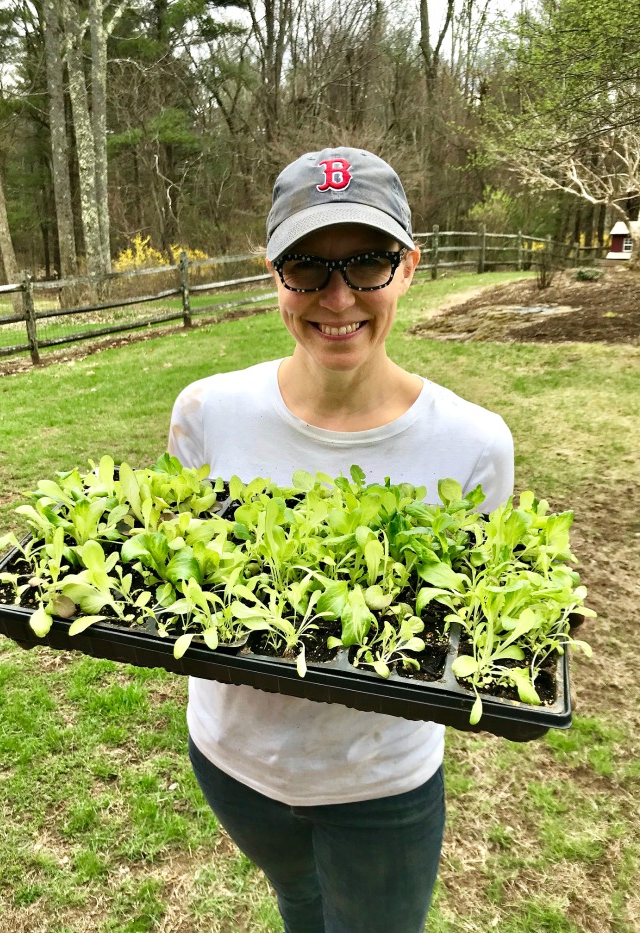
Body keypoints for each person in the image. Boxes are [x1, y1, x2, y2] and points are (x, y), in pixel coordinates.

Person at [168, 146, 514, 933]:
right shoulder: (206, 412)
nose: (337, 297)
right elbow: (179, 574)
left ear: (409, 267)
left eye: (367, 264)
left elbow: (469, 612)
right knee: (299, 900)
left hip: (380, 786)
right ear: (272, 273)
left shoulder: (476, 444)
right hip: (234, 762)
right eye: (306, 268)